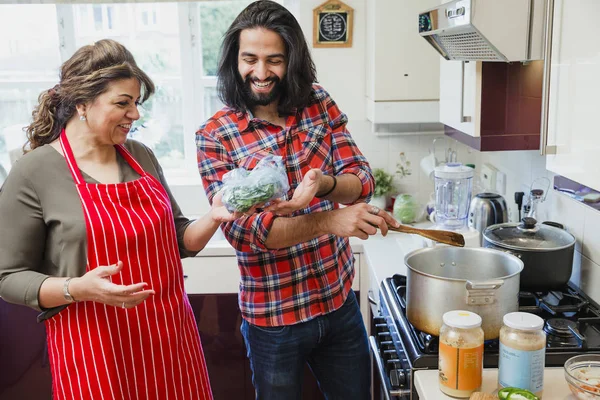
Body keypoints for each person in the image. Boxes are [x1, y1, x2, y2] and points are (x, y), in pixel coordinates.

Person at [0, 39, 238, 400]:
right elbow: (8, 277)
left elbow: (178, 238)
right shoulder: (35, 170)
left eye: (136, 103)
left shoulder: (141, 155)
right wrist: (77, 288)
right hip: (94, 345)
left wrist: (215, 216)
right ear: (82, 103)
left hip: (168, 334)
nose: (135, 115)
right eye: (122, 103)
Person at [196, 1, 400, 399]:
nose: (260, 72)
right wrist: (329, 222)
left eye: (274, 60)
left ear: (292, 60)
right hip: (274, 321)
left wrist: (323, 183)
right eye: (249, 59)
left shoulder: (317, 103)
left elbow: (361, 181)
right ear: (233, 60)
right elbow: (246, 233)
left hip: (338, 304)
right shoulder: (215, 135)